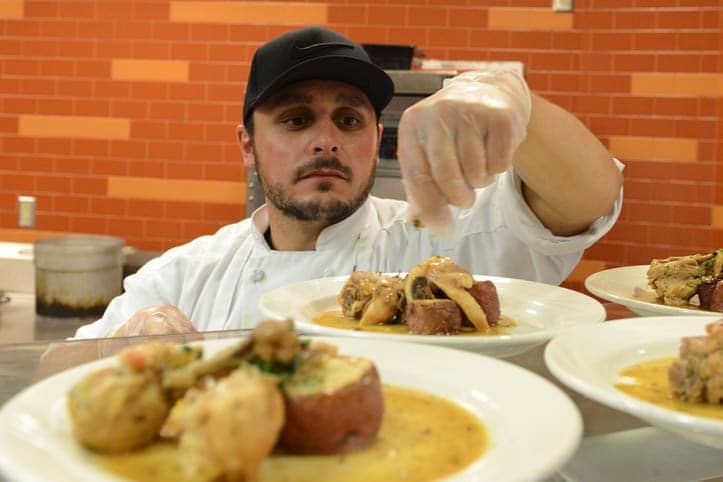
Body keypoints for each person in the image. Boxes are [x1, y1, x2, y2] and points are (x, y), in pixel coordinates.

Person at [74, 26, 623, 338]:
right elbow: (52, 371)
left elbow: (587, 200)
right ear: (247, 145)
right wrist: (113, 349)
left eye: (349, 120)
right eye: (295, 119)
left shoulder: (436, 243)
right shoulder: (186, 273)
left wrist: (512, 97)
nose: (326, 140)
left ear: (371, 139)